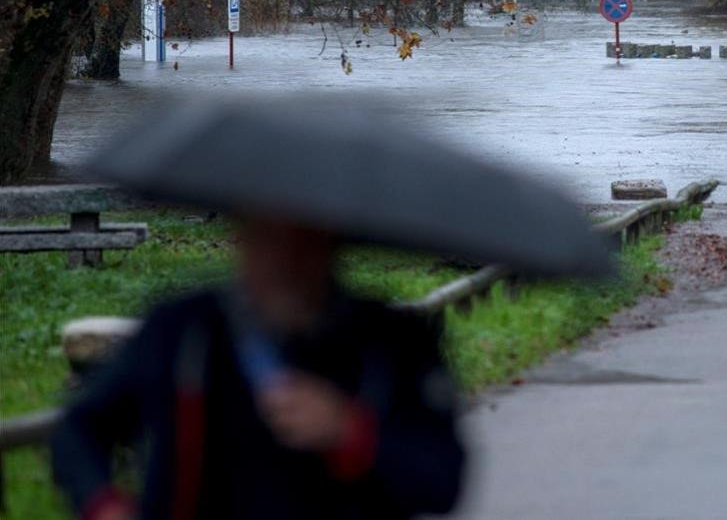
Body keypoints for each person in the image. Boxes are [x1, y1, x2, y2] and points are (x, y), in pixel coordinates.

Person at [52, 215, 466, 520]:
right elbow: (79, 428)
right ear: (242, 237)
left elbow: (443, 480)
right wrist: (103, 504)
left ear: (333, 242)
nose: (284, 259)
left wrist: (351, 432)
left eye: (303, 241)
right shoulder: (185, 330)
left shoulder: (393, 342)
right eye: (268, 237)